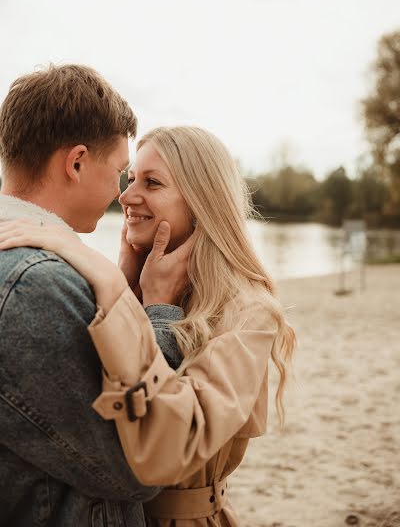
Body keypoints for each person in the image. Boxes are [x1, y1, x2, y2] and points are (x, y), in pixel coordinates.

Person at [0, 126, 296, 526]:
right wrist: (123, 282)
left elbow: (170, 438)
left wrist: (116, 281)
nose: (126, 197)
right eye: (130, 178)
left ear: (201, 202)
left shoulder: (247, 312)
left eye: (152, 183)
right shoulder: (126, 289)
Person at [0, 65, 192, 527]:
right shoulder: (36, 285)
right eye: (120, 172)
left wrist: (117, 286)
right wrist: (158, 311)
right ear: (77, 162)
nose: (121, 193)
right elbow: (138, 468)